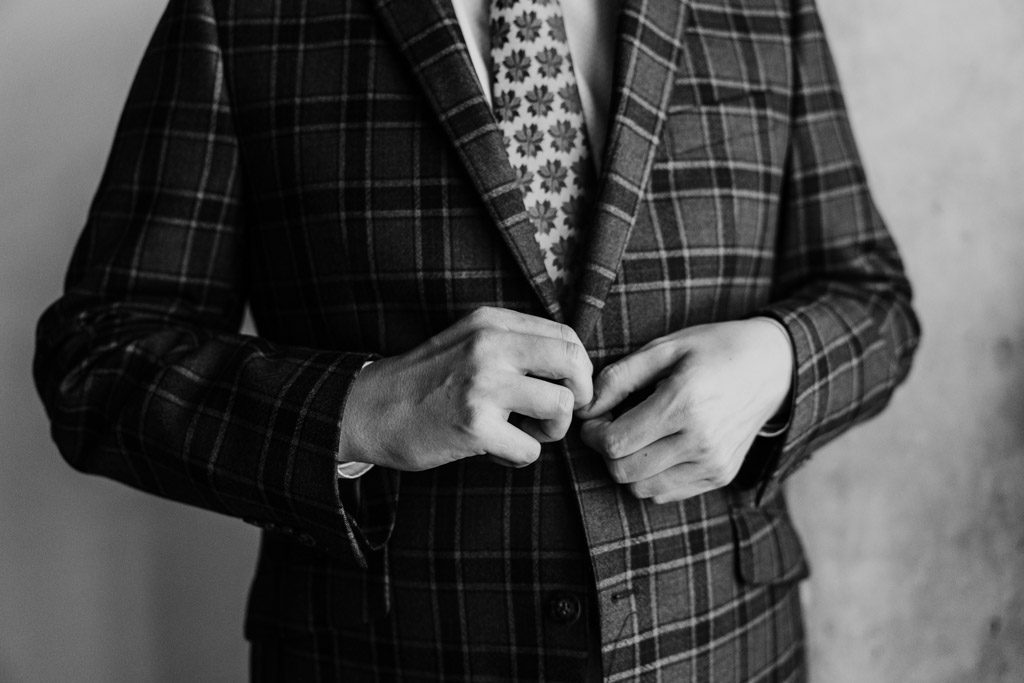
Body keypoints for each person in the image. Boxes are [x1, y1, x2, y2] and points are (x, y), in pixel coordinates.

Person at [34, 0, 920, 680]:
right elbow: (95, 358)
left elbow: (874, 299)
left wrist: (778, 362)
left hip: (724, 648)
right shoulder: (242, 13)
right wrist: (362, 409)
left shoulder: (765, 8)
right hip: (383, 655)